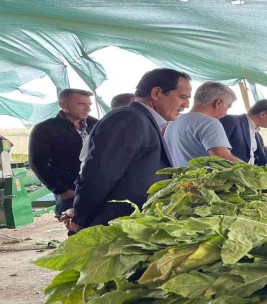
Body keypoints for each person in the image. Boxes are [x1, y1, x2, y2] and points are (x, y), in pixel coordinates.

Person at [65, 68, 192, 233]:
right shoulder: (129, 118)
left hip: (131, 224)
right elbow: (99, 175)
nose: (186, 105)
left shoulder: (143, 119)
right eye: (182, 97)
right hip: (112, 226)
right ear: (156, 93)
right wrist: (80, 218)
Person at [28, 88, 98, 218]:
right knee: (74, 227)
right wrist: (61, 190)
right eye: (81, 104)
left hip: (95, 186)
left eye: (89, 105)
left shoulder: (96, 124)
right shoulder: (46, 129)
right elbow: (37, 162)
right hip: (70, 189)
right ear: (64, 105)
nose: (88, 109)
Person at [164, 82, 242, 166]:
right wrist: (255, 171)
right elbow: (223, 158)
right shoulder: (209, 123)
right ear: (218, 103)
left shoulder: (173, 122)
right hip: (201, 179)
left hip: (178, 178)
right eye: (228, 107)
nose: (226, 113)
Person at [220, 99, 267, 174]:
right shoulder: (231, 121)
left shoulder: (257, 134)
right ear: (263, 114)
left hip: (248, 178)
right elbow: (217, 151)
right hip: (229, 178)